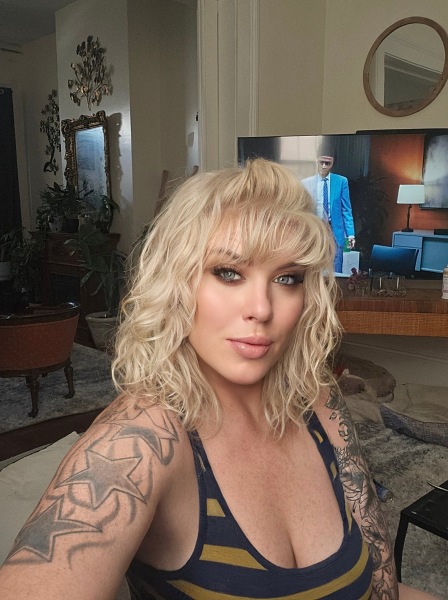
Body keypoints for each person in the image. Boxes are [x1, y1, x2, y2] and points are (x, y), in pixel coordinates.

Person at [0, 158, 438, 600]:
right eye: (228, 273)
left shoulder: (319, 400)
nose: (262, 308)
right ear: (175, 282)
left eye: (287, 278)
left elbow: (382, 583)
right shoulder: (139, 441)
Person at [302, 146, 356, 273]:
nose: (324, 166)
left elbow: (346, 210)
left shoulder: (341, 181)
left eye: (328, 163)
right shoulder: (306, 183)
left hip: (335, 230)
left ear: (333, 163)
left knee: (336, 267)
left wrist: (350, 234)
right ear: (316, 161)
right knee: (314, 267)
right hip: (315, 229)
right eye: (322, 162)